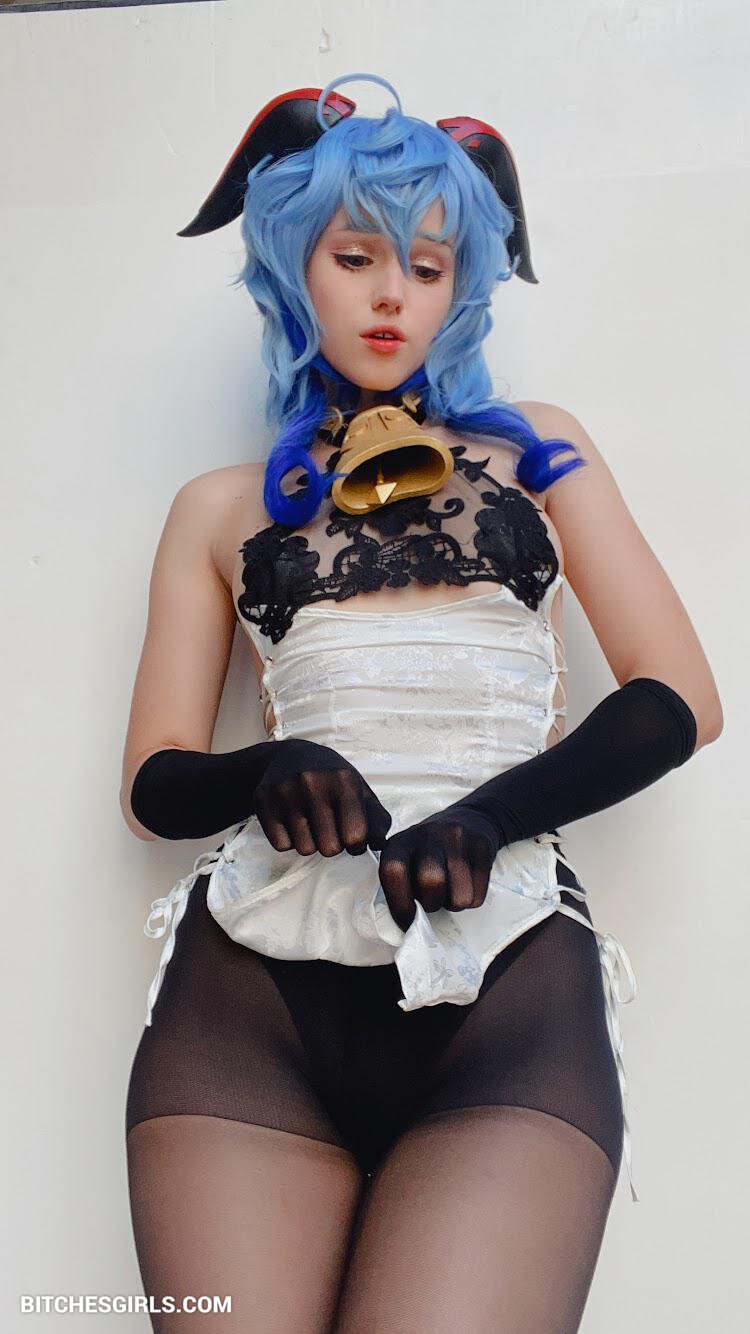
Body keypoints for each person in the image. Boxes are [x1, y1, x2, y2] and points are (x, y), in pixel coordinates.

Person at [121, 74, 723, 1333]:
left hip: (508, 986)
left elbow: (679, 698)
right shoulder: (219, 506)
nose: (393, 293)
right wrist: (264, 767)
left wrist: (492, 814)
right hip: (247, 1008)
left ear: (464, 286)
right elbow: (155, 779)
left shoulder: (539, 451)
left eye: (429, 264)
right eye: (357, 257)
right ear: (296, 267)